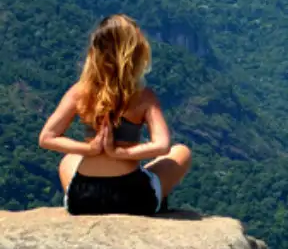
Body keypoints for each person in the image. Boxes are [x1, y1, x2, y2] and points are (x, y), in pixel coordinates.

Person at [37, 14, 193, 216]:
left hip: (83, 199)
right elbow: (162, 146)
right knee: (181, 151)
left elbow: (46, 138)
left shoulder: (79, 92)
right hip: (133, 198)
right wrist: (121, 154)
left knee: (70, 158)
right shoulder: (143, 97)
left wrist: (91, 149)